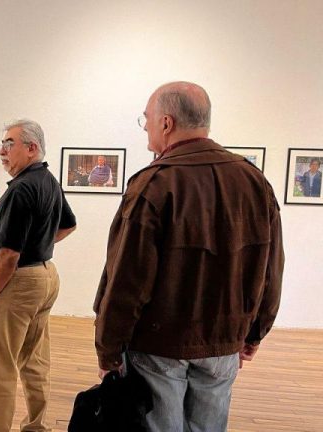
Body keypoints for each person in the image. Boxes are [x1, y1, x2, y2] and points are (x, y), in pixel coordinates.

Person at [93, 81, 284, 432]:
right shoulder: (254, 181)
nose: (146, 127)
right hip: (223, 342)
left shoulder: (153, 184)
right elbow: (271, 270)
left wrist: (108, 350)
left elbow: (126, 280)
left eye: (146, 119)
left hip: (158, 346)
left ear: (166, 123)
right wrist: (255, 333)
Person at [0, 119, 77, 432]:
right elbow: (69, 224)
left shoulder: (22, 188)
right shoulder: (47, 179)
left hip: (18, 282)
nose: (1, 152)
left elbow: (8, 253)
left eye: (9, 144)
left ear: (31, 148)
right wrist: (41, 245)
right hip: (45, 276)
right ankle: (36, 424)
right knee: (34, 359)